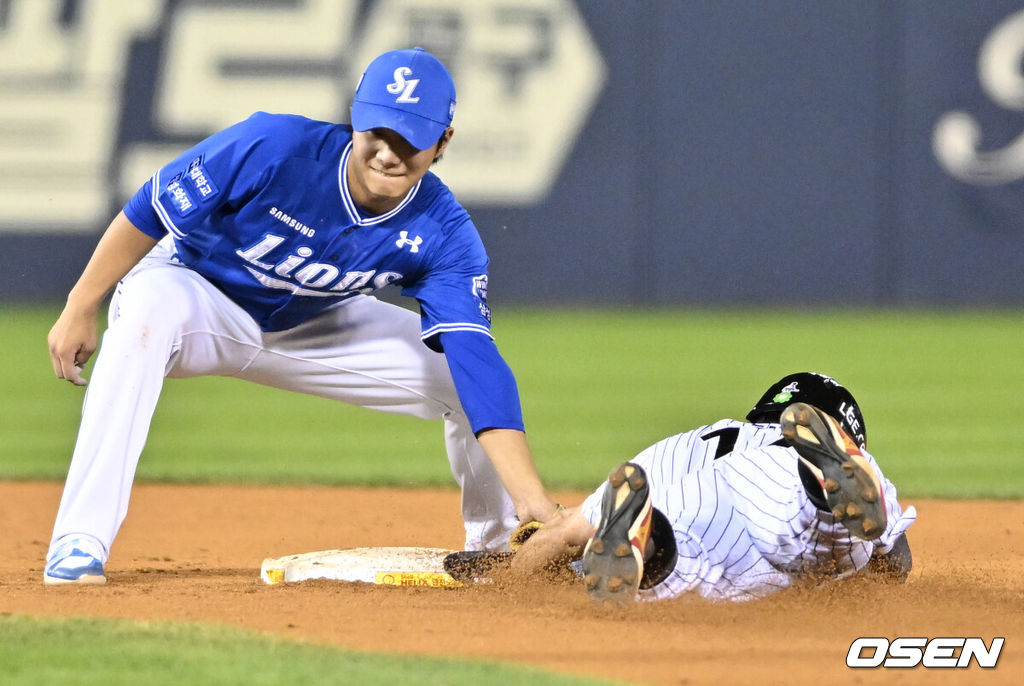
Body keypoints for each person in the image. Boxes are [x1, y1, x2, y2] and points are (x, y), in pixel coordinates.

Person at [44, 47, 561, 585]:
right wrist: (81, 304)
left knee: (459, 379)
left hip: (317, 323)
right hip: (195, 292)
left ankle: (503, 546)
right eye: (377, 132)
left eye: (410, 139)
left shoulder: (446, 233)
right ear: (355, 119)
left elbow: (476, 361)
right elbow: (152, 206)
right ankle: (80, 540)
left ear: (443, 141)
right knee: (142, 324)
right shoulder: (274, 145)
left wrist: (536, 501)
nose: (387, 152)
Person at [510, 372, 917, 603]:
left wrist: (511, 579)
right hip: (781, 480)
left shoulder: (690, 441)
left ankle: (650, 543)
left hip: (691, 500)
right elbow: (895, 563)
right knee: (826, 534)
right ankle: (819, 488)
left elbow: (564, 537)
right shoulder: (783, 449)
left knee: (680, 570)